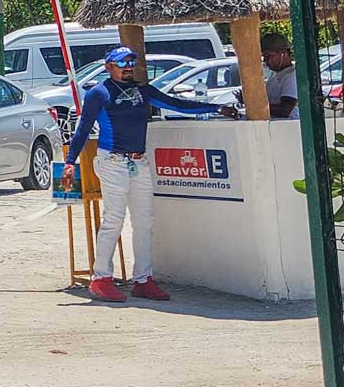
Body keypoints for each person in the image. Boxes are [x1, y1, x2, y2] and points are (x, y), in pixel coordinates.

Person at [61, 45, 226, 303]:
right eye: (121, 64)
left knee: (145, 222)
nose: (128, 68)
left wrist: (215, 108)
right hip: (112, 161)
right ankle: (100, 278)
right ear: (109, 67)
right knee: (113, 219)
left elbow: (177, 104)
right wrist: (70, 162)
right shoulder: (99, 93)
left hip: (139, 162)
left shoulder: (143, 90)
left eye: (130, 63)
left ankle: (143, 279)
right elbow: (82, 129)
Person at [261, 33, 299, 119]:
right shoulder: (275, 74)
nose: (265, 60)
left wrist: (257, 108)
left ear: (283, 54)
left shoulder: (291, 76)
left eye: (268, 56)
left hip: (289, 127)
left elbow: (285, 110)